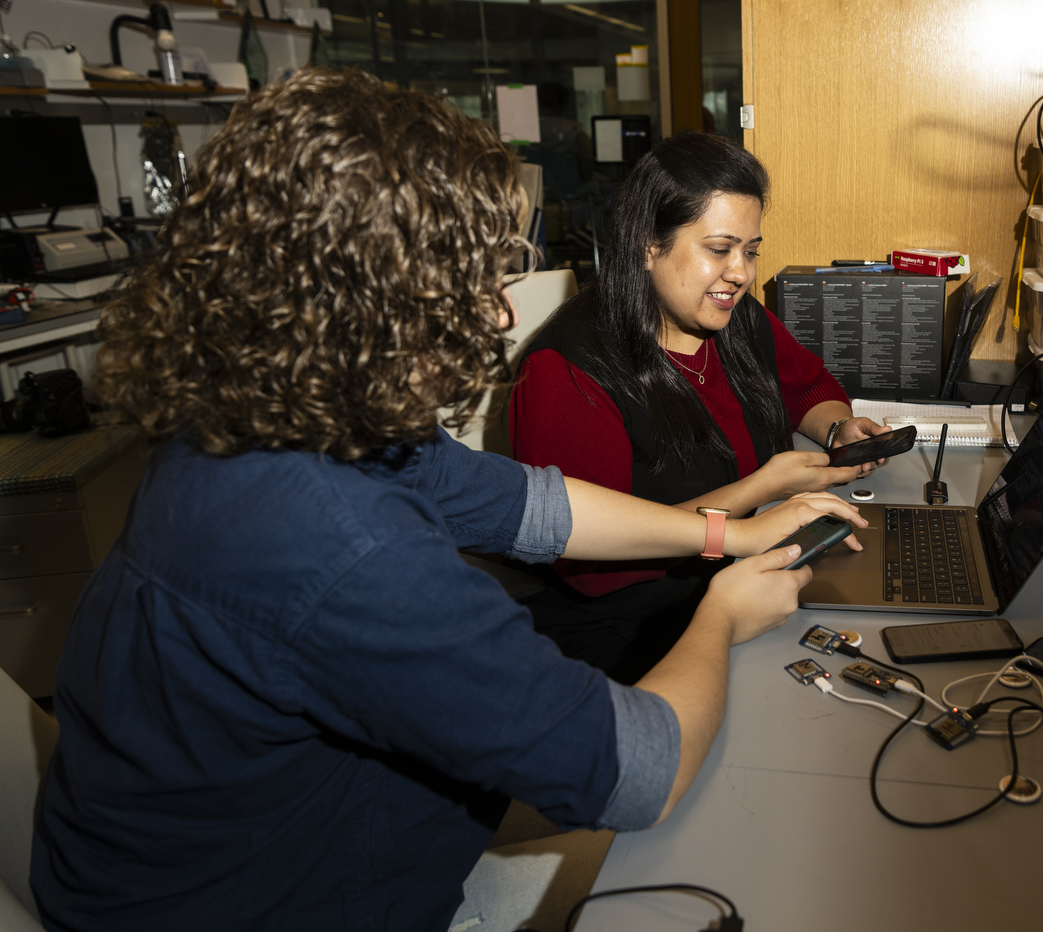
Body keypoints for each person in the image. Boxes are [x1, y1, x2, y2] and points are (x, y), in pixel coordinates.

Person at [28, 69, 865, 932]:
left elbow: (538, 509)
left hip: (276, 869)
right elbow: (641, 770)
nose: (500, 315)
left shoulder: (270, 423)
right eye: (472, 277)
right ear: (373, 294)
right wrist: (724, 615)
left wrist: (731, 536)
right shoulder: (344, 548)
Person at [509, 132, 889, 681]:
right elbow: (588, 564)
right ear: (647, 243)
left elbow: (805, 388)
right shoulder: (566, 372)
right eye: (719, 249)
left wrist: (838, 428)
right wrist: (762, 488)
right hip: (636, 631)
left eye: (751, 250)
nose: (741, 273)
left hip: (744, 579)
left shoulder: (733, 315)